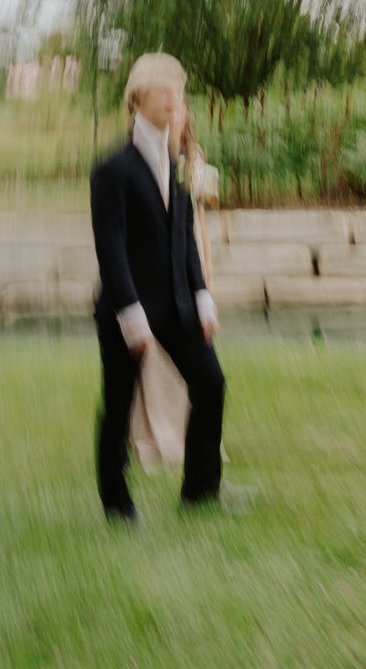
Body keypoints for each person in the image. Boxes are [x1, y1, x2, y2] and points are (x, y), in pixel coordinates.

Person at [91, 53, 226, 521]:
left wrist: (202, 298)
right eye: (163, 90)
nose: (174, 98)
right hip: (126, 308)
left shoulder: (178, 164)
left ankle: (201, 494)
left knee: (211, 383)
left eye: (178, 90)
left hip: (178, 306)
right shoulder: (112, 169)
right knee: (118, 404)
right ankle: (117, 506)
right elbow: (111, 249)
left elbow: (184, 239)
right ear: (137, 99)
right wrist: (130, 315)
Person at [128, 97, 225, 470]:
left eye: (180, 109)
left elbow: (199, 215)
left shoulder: (193, 160)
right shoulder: (138, 159)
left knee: (198, 357)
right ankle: (154, 432)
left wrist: (204, 276)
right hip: (156, 262)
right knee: (154, 355)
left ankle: (192, 432)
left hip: (190, 251)